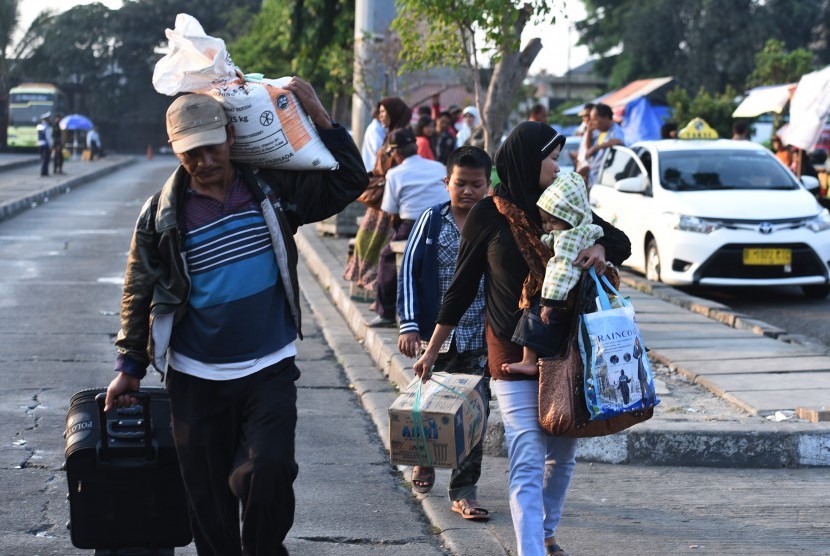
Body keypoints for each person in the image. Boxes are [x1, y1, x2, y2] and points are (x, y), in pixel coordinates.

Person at [104, 79, 368, 556]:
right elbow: (138, 288)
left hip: (267, 365)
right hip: (195, 375)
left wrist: (317, 113)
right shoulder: (161, 215)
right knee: (207, 505)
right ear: (174, 151)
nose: (205, 162)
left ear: (231, 136)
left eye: (211, 148)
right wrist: (129, 367)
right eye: (191, 154)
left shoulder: (271, 189)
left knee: (268, 469)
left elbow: (349, 181)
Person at [414, 121, 631, 556]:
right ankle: (531, 548)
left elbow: (619, 240)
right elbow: (459, 287)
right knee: (529, 455)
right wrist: (433, 349)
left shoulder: (563, 206)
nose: (557, 166)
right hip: (509, 348)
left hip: (566, 347)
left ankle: (547, 531)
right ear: (527, 161)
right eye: (551, 158)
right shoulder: (488, 214)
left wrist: (600, 250)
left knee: (563, 455)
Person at [397, 146, 491, 518]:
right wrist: (409, 325)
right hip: (437, 338)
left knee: (475, 413)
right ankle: (424, 458)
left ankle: (464, 490)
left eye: (476, 184)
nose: (468, 191)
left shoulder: (494, 222)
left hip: (479, 337)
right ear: (446, 183)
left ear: (488, 185)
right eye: (460, 184)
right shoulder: (431, 221)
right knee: (431, 407)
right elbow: (409, 269)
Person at [501, 171, 604, 375]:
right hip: (584, 293)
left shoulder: (568, 238)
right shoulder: (584, 230)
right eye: (545, 221)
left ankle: (528, 361)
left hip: (563, 291)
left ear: (571, 217)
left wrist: (550, 302)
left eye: (553, 222)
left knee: (534, 312)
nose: (548, 227)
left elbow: (561, 268)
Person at [369, 128, 448, 327]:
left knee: (387, 258)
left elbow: (390, 209)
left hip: (413, 225)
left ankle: (386, 312)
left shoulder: (395, 174)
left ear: (396, 153)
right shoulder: (439, 167)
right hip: (444, 222)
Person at [344, 97, 411, 296]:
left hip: (388, 201)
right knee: (366, 240)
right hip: (379, 201)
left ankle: (375, 285)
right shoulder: (389, 135)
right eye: (380, 112)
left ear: (394, 113)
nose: (381, 116)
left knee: (375, 243)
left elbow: (393, 167)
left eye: (384, 112)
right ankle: (370, 283)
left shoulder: (400, 137)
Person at [585, 103, 625, 188]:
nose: (593, 123)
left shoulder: (615, 131)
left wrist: (596, 147)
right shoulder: (600, 132)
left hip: (605, 181)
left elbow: (618, 141)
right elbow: (588, 150)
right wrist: (589, 132)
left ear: (606, 117)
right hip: (594, 178)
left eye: (595, 119)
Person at [361, 104, 387, 172]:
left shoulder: (380, 127)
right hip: (373, 170)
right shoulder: (374, 129)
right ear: (377, 115)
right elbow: (379, 150)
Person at [573, 103, 595, 183]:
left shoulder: (596, 131)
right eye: (584, 116)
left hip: (588, 170)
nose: (585, 118)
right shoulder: (586, 128)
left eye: (587, 115)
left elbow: (588, 148)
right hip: (581, 167)